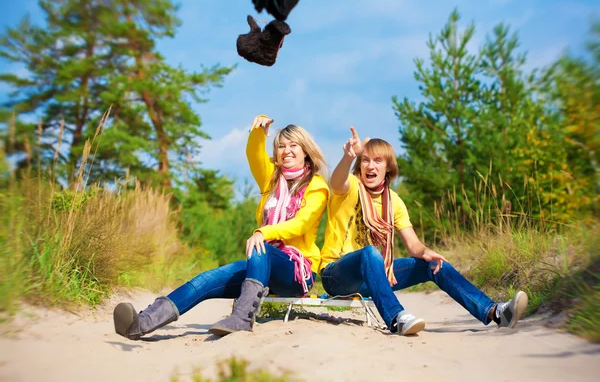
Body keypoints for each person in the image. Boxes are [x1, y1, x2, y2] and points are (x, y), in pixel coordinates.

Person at [113, 114, 329, 339]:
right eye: (281, 146)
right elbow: (254, 155)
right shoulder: (272, 178)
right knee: (206, 280)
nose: (287, 151)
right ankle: (141, 323)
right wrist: (258, 133)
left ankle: (242, 319)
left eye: (293, 145)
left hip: (296, 271)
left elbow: (300, 224)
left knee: (259, 247)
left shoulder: (317, 186)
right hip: (262, 265)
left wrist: (262, 232)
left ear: (306, 151)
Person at [319, 126, 528, 336]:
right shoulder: (351, 187)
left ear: (388, 168)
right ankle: (396, 318)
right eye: (365, 160)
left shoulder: (394, 202)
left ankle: (495, 312)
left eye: (377, 161)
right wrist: (348, 157)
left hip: (372, 278)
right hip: (336, 274)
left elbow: (413, 245)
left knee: (434, 265)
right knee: (370, 253)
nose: (370, 166)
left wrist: (426, 252)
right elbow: (337, 182)